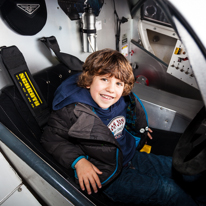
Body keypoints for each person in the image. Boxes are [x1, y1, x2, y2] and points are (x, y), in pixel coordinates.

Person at [41, 49, 205, 206]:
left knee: (185, 172)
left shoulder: (120, 100)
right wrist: (79, 161)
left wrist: (140, 130)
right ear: (89, 80)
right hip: (108, 174)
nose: (111, 89)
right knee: (170, 191)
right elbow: (51, 139)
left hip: (129, 155)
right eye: (104, 79)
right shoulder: (72, 111)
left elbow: (130, 116)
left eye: (118, 83)